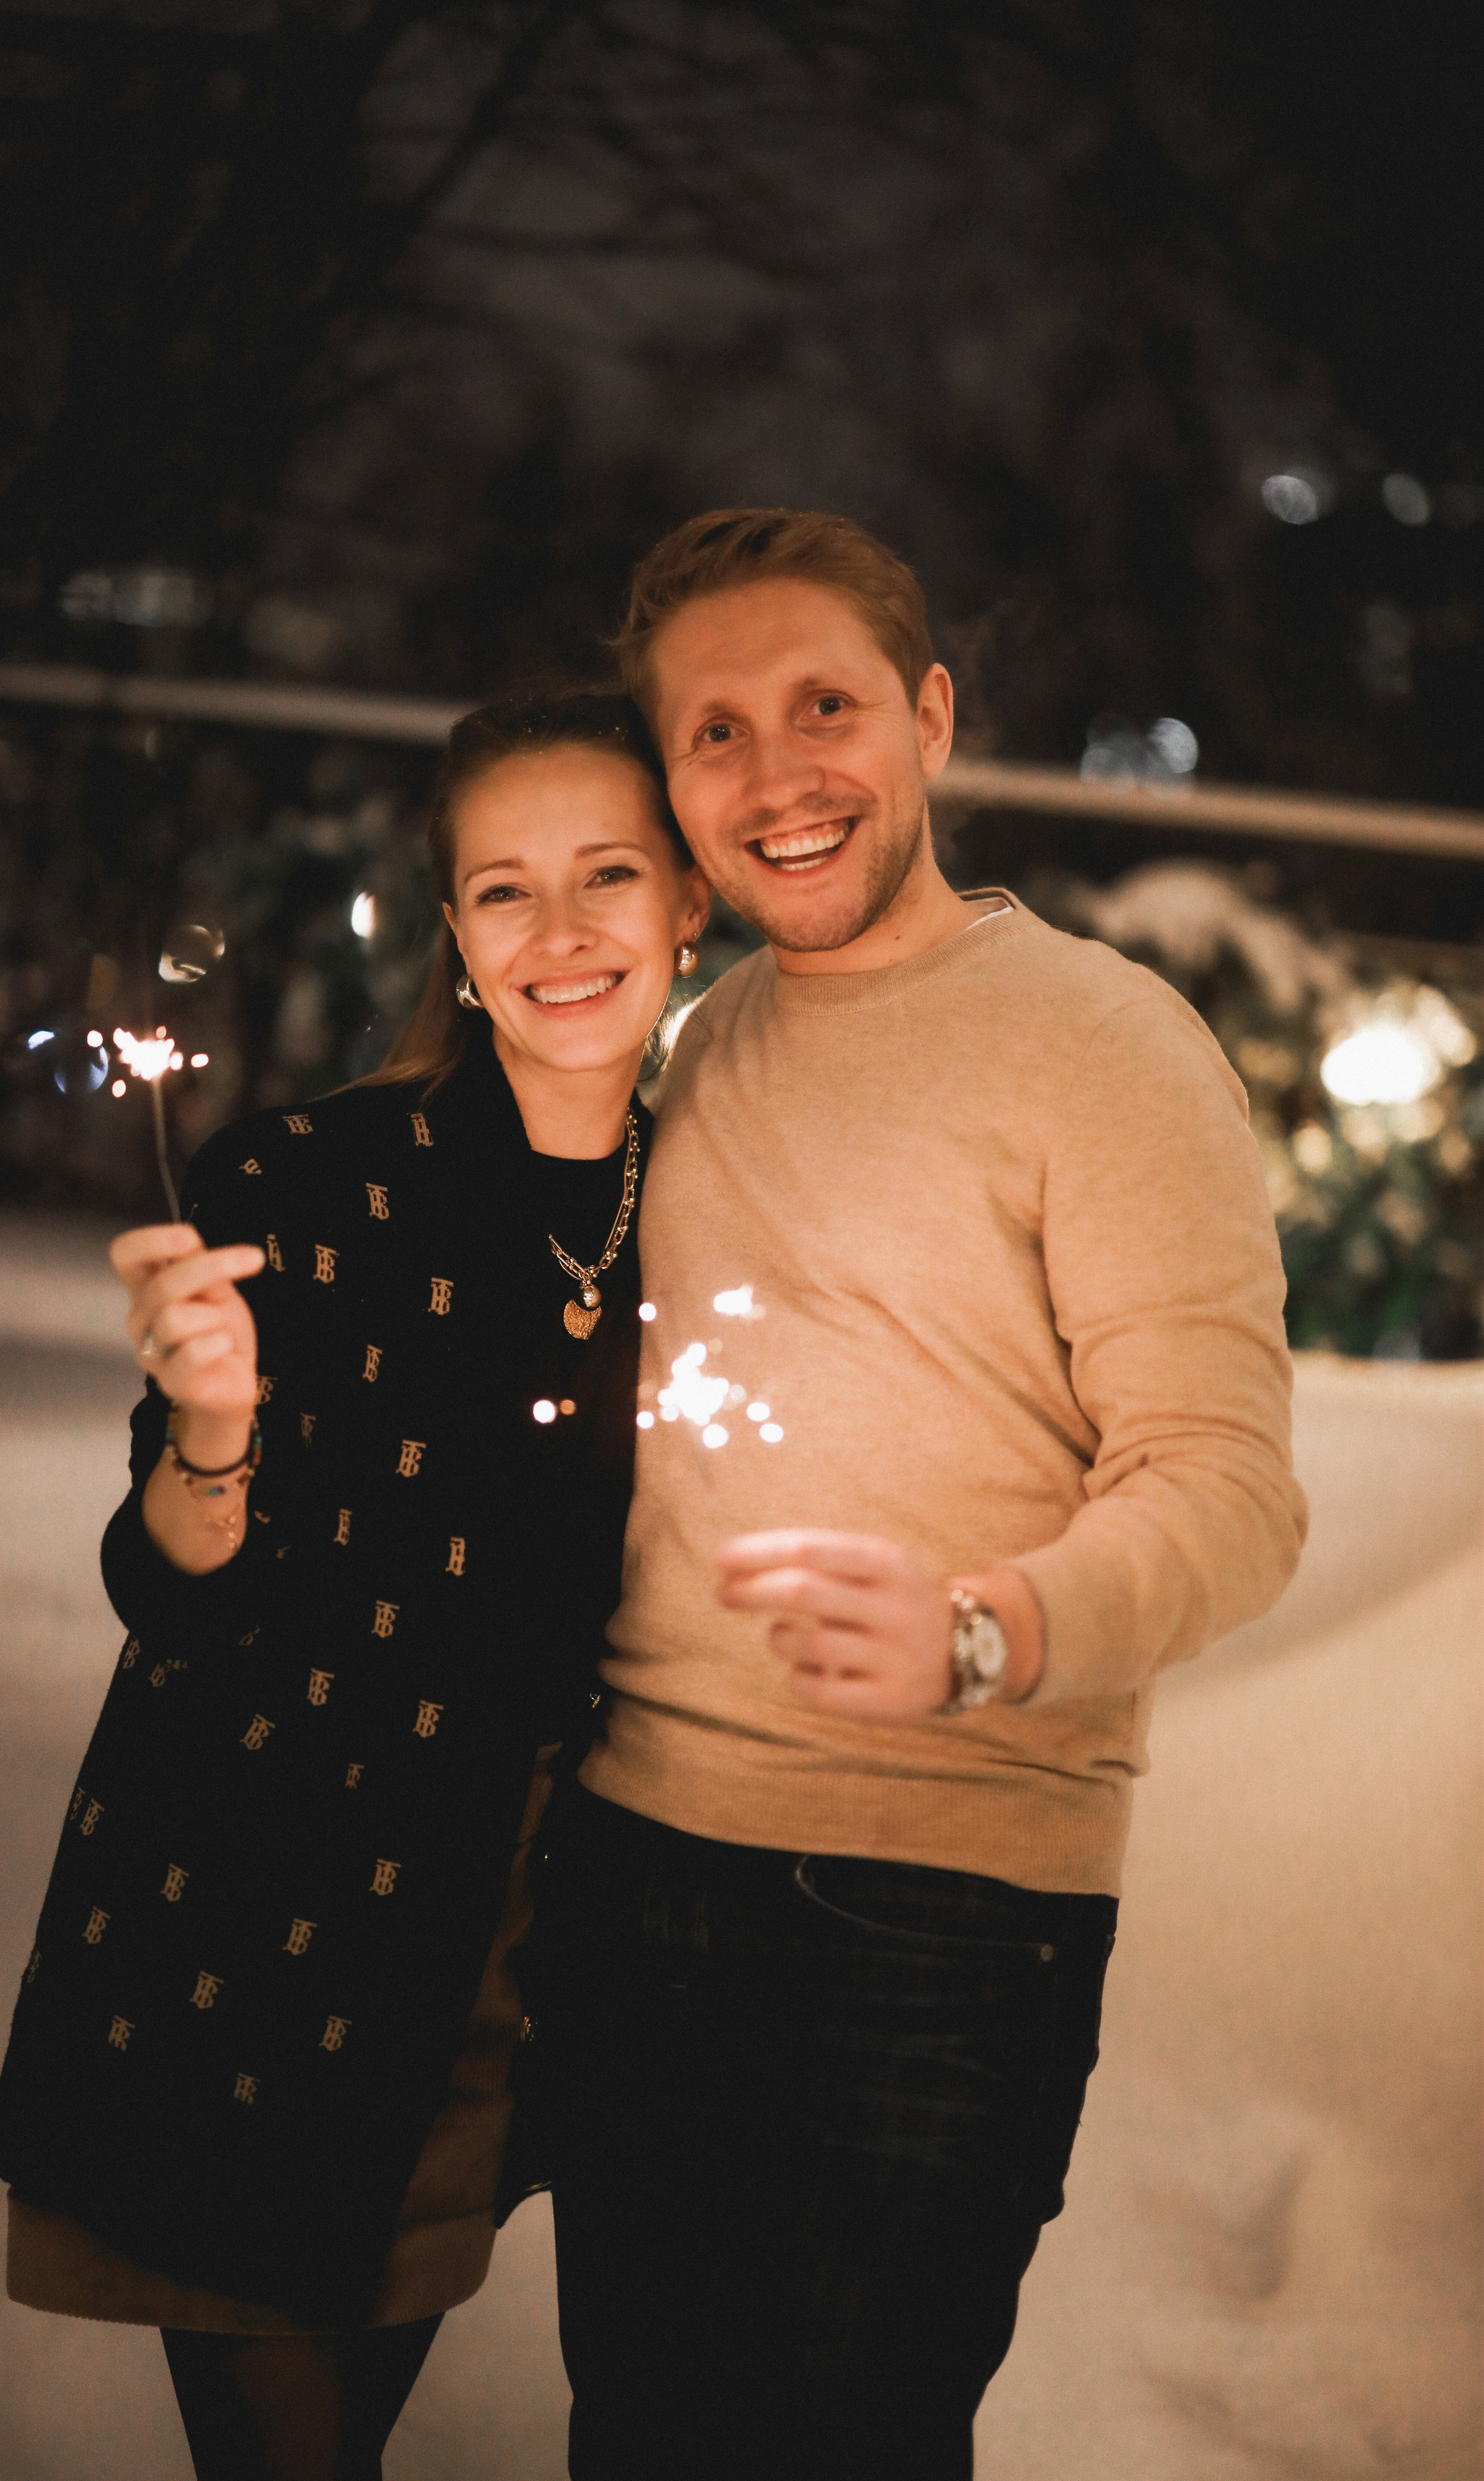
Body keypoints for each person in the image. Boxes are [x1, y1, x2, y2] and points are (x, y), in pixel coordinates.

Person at [539, 510, 1310, 2480]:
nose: (777, 774)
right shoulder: (686, 1058)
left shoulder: (1105, 1045)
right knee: (640, 2435)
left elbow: (1226, 1488)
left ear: (933, 716)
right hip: (634, 1872)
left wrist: (992, 1631)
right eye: (714, 733)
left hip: (939, 1911)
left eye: (825, 707)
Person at [0, 687, 709, 2481]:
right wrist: (212, 1432)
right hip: (244, 1914)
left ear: (691, 901)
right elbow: (169, 1599)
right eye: (504, 890)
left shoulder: (720, 1210)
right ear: (455, 934)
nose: (562, 934)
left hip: (503, 1936)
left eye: (610, 874)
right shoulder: (303, 1186)